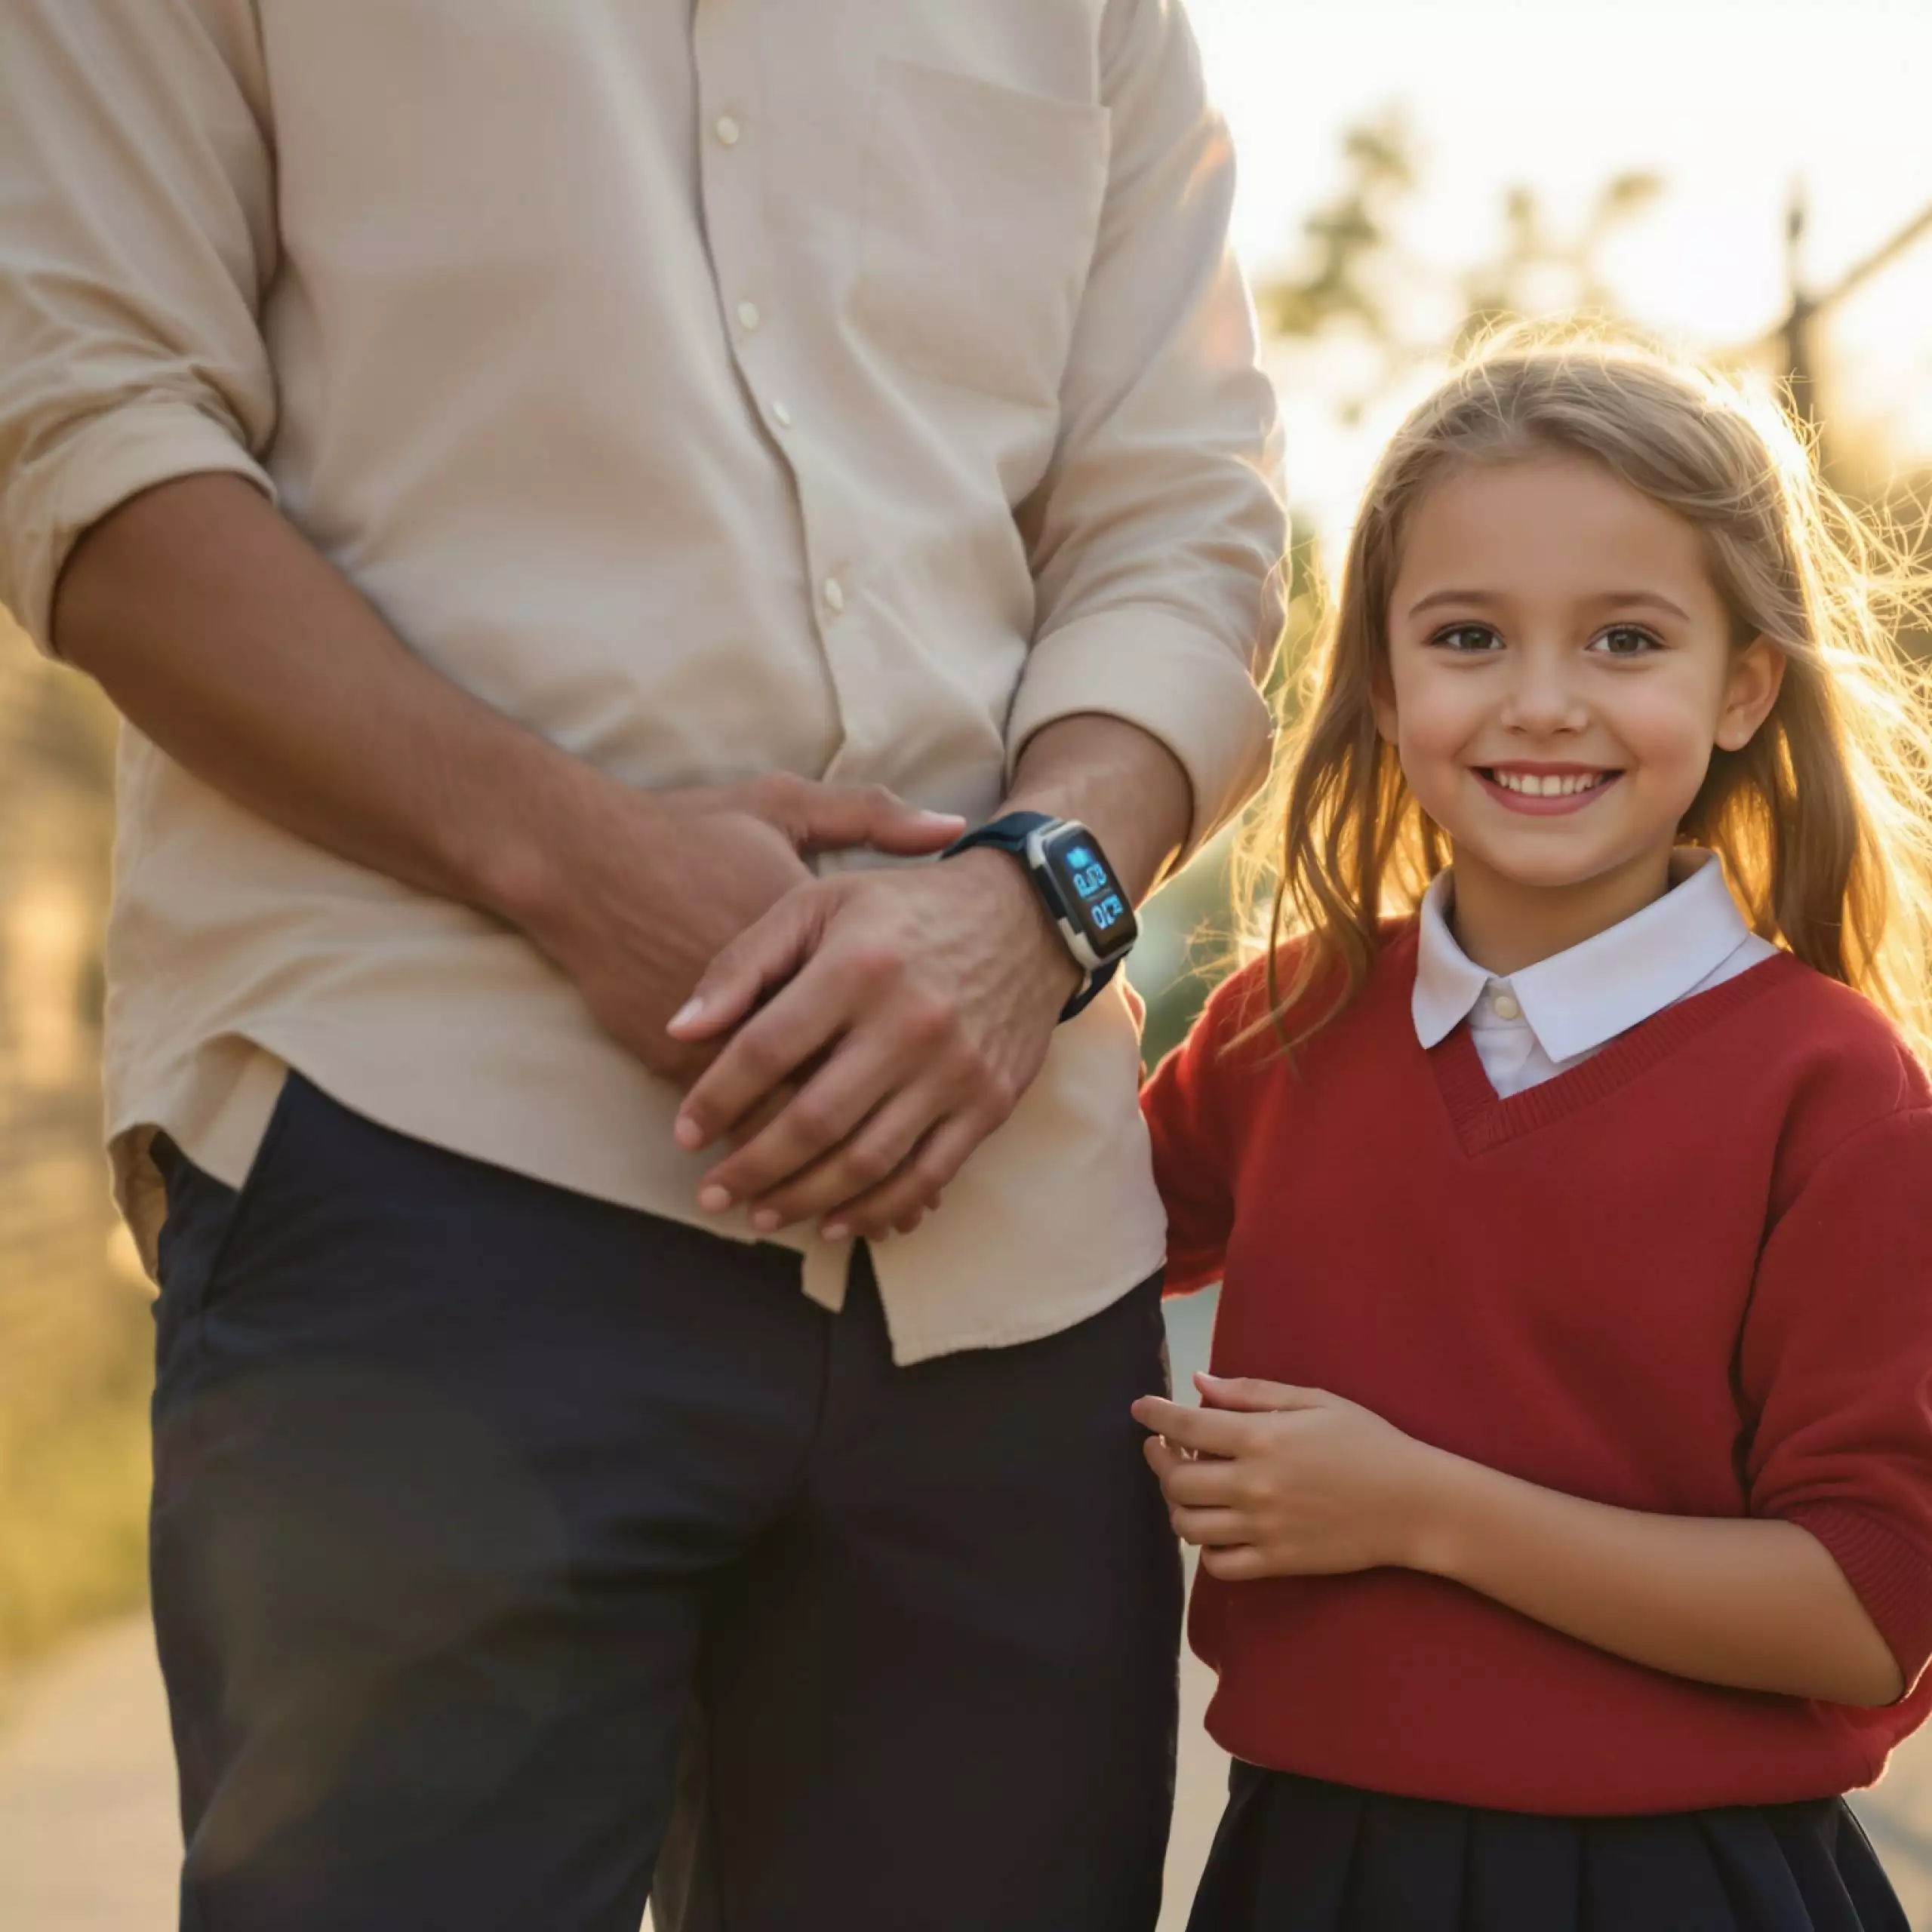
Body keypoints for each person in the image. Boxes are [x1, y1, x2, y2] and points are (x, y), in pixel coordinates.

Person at [0, 5, 1284, 1928]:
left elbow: (1180, 518)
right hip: (424, 1151)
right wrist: (570, 863)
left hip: (1000, 1240)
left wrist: (1032, 903)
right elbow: (83, 421)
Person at [1135, 329, 1932, 1930]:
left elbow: (1863, 1608)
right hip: (1307, 1872)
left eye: (1624, 637)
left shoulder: (1831, 1091)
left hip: (1681, 1884)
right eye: (1469, 635)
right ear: (1377, 675)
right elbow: (1053, 1244)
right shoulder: (1282, 1024)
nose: (1542, 702)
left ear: (1740, 686)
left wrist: (1413, 1507)